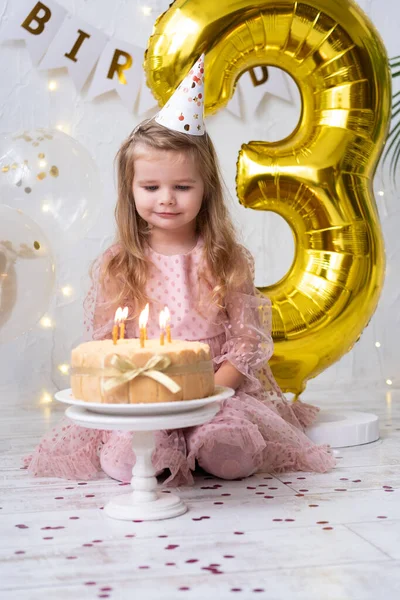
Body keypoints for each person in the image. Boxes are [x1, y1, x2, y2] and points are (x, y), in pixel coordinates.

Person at [25, 55, 335, 485]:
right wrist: (144, 396)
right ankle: (161, 450)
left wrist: (207, 390)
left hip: (216, 389)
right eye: (151, 187)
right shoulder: (120, 263)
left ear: (206, 189)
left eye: (182, 187)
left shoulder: (225, 258)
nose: (166, 199)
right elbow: (105, 343)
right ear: (130, 189)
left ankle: (205, 443)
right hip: (145, 394)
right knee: (125, 460)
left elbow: (247, 340)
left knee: (233, 449)